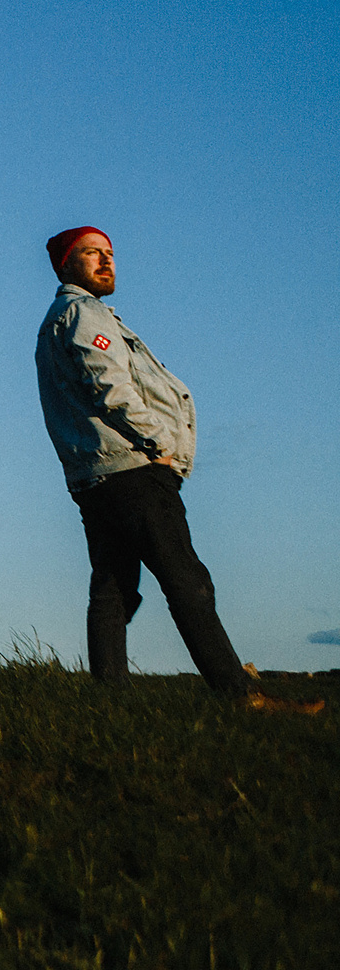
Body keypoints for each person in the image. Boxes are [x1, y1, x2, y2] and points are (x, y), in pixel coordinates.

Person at [35, 229, 319, 714]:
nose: (106, 262)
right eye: (91, 254)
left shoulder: (59, 321)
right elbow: (109, 383)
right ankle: (240, 696)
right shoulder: (84, 314)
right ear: (65, 266)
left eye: (110, 254)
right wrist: (158, 442)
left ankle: (110, 703)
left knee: (113, 586)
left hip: (95, 474)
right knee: (188, 581)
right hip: (130, 471)